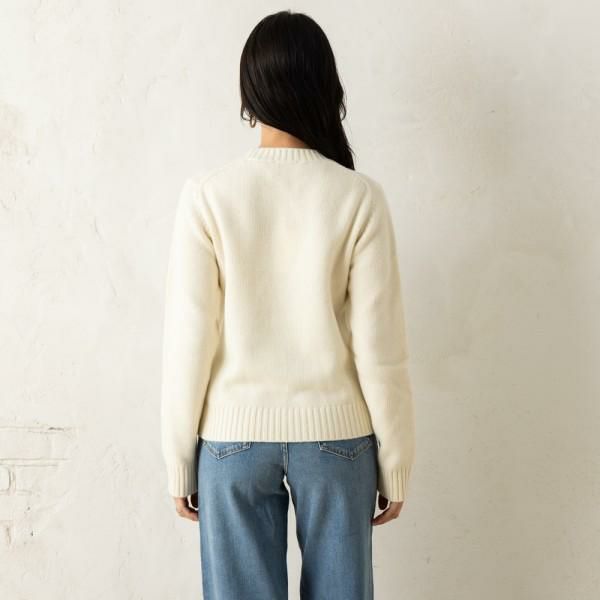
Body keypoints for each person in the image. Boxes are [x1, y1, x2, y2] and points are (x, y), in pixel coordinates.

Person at [160, 9, 415, 600]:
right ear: (326, 87)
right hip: (338, 440)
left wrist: (178, 458)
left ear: (249, 92)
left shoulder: (208, 196)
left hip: (231, 440)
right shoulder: (359, 197)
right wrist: (397, 461)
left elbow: (189, 339)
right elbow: (381, 347)